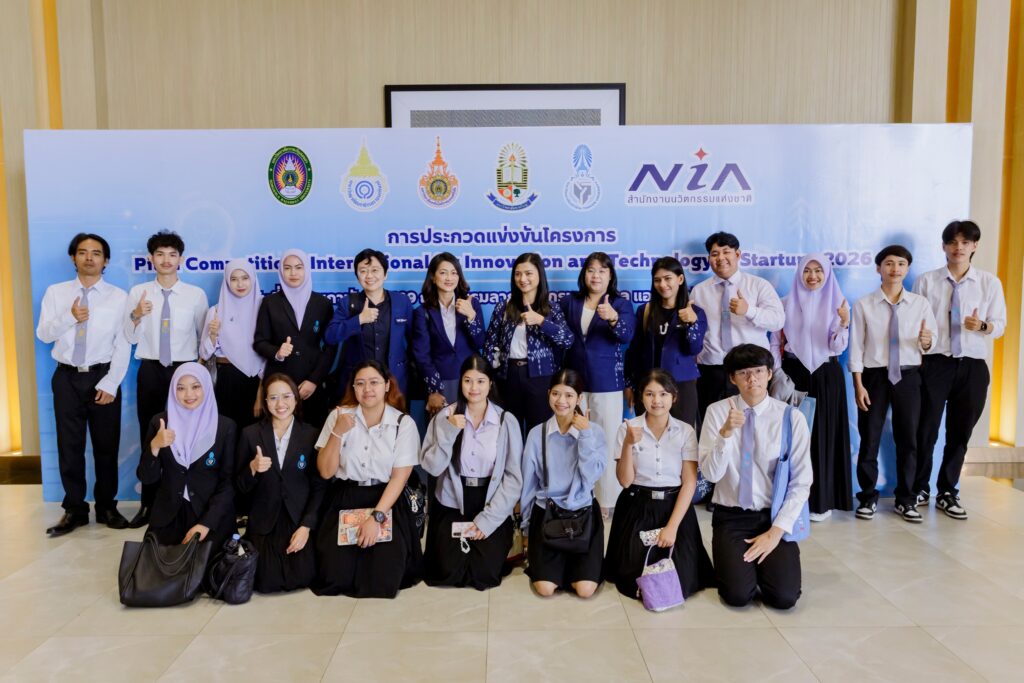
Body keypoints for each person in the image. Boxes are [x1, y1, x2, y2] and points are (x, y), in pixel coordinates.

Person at [698, 344, 811, 610]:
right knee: (737, 595)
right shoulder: (716, 412)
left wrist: (776, 532)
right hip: (731, 516)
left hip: (772, 516)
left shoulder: (791, 418)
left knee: (784, 598)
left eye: (759, 371)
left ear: (770, 374)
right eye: (744, 373)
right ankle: (744, 566)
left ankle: (767, 564)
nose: (752, 379)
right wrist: (725, 434)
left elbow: (801, 482)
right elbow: (711, 474)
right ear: (732, 378)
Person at [36, 233, 132, 535]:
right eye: (82, 252)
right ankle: (74, 509)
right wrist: (70, 317)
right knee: (69, 446)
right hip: (66, 377)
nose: (89, 257)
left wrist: (111, 382)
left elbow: (123, 343)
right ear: (73, 258)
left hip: (102, 376)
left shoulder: (119, 297)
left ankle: (106, 507)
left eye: (96, 253)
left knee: (106, 446)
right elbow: (44, 334)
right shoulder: (56, 293)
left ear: (106, 260)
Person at [913, 220, 1006, 519]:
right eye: (953, 242)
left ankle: (948, 490)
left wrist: (981, 325)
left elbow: (999, 325)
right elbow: (915, 323)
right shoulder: (926, 281)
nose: (959, 248)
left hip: (972, 366)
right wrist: (922, 340)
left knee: (960, 431)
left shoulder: (989, 283)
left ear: (975, 246)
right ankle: (919, 487)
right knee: (925, 429)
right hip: (935, 363)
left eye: (965, 242)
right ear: (943, 246)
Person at [312, 361, 422, 598]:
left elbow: (399, 478)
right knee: (334, 576)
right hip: (345, 496)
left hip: (386, 499)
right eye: (360, 384)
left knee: (383, 578)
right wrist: (337, 432)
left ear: (386, 385)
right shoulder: (338, 416)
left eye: (374, 382)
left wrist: (376, 518)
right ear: (353, 388)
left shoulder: (403, 423)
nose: (367, 389)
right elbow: (326, 472)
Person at [604, 369, 714, 601]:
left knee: (682, 580)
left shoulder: (685, 431)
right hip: (637, 505)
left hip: (674, 506)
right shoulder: (628, 428)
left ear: (674, 397)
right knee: (634, 577)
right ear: (641, 397)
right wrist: (628, 444)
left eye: (663, 394)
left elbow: (689, 482)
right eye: (649, 394)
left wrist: (672, 527)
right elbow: (625, 481)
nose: (656, 400)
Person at [124, 230, 209, 528]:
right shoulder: (139, 293)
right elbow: (129, 336)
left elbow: (203, 340)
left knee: (186, 435)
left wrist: (200, 376)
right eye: (160, 254)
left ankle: (186, 501)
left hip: (184, 371)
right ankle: (148, 504)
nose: (166, 260)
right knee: (151, 436)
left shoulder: (195, 295)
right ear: (151, 258)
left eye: (172, 254)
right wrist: (136, 315)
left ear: (180, 259)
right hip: (150, 370)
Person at [420, 355, 523, 589]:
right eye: (467, 381)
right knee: (447, 572)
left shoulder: (506, 421)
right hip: (452, 501)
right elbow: (432, 467)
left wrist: (488, 520)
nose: (473, 387)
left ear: (490, 384)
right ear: (460, 383)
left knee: (484, 574)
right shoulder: (444, 416)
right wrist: (448, 432)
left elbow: (513, 479)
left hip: (490, 499)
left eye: (480, 381)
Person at [849, 245, 937, 523]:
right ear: (878, 268)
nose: (895, 269)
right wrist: (858, 385)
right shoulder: (864, 304)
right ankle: (867, 496)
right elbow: (856, 348)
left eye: (901, 263)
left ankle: (906, 499)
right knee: (869, 438)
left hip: (909, 376)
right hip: (874, 377)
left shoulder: (920, 304)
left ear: (907, 269)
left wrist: (927, 342)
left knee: (909, 439)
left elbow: (930, 341)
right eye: (888, 263)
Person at [769, 253, 852, 521]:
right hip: (794, 374)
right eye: (807, 270)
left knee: (824, 436)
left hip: (826, 374)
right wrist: (778, 372)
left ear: (827, 274)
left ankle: (821, 501)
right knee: (793, 437)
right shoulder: (785, 303)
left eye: (818, 270)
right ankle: (789, 498)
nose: (813, 276)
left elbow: (838, 346)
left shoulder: (838, 304)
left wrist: (843, 322)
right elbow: (775, 343)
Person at [139, 363, 237, 569]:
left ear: (207, 387)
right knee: (159, 574)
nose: (189, 394)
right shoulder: (159, 423)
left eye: (196, 386)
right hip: (169, 513)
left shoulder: (225, 427)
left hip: (209, 513)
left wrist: (206, 523)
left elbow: (228, 483)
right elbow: (147, 478)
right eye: (181, 388)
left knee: (209, 574)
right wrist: (154, 446)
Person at [559, 252, 636, 517]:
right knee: (574, 439)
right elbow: (562, 337)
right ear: (584, 274)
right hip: (574, 383)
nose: (596, 276)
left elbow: (627, 335)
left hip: (606, 382)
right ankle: (578, 497)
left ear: (610, 275)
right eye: (591, 270)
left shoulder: (620, 303)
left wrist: (613, 318)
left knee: (605, 439)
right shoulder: (570, 301)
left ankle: (607, 500)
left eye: (602, 271)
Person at [235, 373, 325, 593]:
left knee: (306, 577)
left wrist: (306, 526)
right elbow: (239, 487)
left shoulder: (311, 435)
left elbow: (319, 487)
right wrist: (252, 468)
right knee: (266, 583)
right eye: (273, 398)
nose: (280, 404)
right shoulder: (250, 434)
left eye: (286, 396)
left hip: (298, 520)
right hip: (265, 522)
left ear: (296, 398)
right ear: (265, 401)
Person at [520, 369, 606, 598]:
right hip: (547, 515)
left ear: (579, 399)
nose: (561, 401)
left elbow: (591, 476)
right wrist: (526, 528)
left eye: (569, 395)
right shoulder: (537, 434)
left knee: (585, 590)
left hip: (584, 515)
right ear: (548, 394)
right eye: (556, 393)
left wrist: (585, 436)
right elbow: (528, 485)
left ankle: (575, 570)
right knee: (545, 589)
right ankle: (557, 568)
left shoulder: (594, 432)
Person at [689, 232, 785, 421]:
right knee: (713, 426)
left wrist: (749, 311)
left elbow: (778, 320)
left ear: (738, 254)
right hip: (711, 371)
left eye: (726, 252)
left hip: (750, 371)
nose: (721, 258)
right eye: (715, 254)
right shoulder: (699, 291)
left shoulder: (758, 285)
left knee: (752, 424)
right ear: (709, 259)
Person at [484, 252, 574, 436]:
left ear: (539, 275)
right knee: (510, 431)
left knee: (538, 432)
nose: (522, 279)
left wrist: (541, 321)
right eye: (518, 274)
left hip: (542, 377)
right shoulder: (503, 307)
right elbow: (490, 344)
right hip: (509, 376)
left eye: (528, 273)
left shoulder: (551, 309)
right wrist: (494, 373)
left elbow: (567, 340)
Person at [254, 249, 335, 428]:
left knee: (314, 434)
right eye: (287, 268)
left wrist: (314, 380)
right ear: (281, 271)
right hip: (279, 383)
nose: (293, 273)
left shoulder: (322, 303)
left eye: (298, 267)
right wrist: (277, 352)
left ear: (306, 269)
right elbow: (260, 342)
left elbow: (330, 347)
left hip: (311, 383)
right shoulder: (270, 303)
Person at [625, 256, 707, 427]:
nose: (662, 284)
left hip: (682, 385)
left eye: (668, 278)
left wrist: (692, 324)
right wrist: (629, 384)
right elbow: (634, 350)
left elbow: (694, 349)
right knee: (648, 435)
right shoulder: (645, 311)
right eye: (657, 280)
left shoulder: (695, 312)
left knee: (683, 435)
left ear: (680, 279)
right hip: (648, 385)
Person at [326, 248, 413, 398]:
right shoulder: (348, 303)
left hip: (395, 382)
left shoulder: (402, 302)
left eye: (375, 270)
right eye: (363, 271)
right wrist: (359, 320)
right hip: (359, 384)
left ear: (385, 274)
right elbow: (330, 336)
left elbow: (414, 341)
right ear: (357, 276)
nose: (369, 276)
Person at [411, 252, 486, 414]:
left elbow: (480, 343)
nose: (449, 278)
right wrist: (434, 389)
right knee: (443, 428)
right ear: (433, 277)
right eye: (443, 272)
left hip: (471, 379)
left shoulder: (471, 304)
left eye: (454, 273)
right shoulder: (423, 312)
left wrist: (471, 317)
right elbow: (422, 355)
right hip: (441, 381)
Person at [199, 258, 265, 433]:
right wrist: (213, 335)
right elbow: (204, 354)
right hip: (227, 378)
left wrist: (261, 390)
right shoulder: (216, 311)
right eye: (234, 279)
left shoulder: (264, 309)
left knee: (253, 433)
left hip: (256, 379)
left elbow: (267, 353)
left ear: (253, 278)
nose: (240, 284)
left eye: (245, 278)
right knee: (227, 431)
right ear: (227, 282)